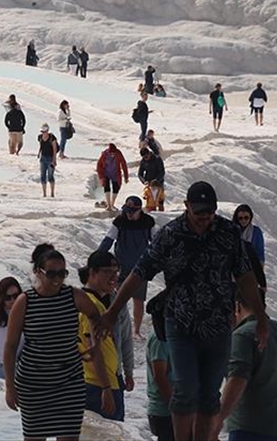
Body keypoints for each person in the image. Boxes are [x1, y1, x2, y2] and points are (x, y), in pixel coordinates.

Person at [101, 181, 268, 441]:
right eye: (199, 212)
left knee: (210, 395)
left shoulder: (228, 232)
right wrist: (112, 311)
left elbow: (245, 275)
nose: (205, 218)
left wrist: (260, 316)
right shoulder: (170, 234)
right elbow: (139, 273)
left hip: (218, 324)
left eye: (210, 212)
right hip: (180, 323)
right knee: (185, 391)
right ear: (186, 206)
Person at [3, 243, 108, 440]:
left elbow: (95, 315)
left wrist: (95, 343)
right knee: (35, 437)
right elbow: (10, 347)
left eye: (62, 273)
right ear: (37, 272)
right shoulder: (25, 301)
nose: (57, 279)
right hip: (33, 385)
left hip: (69, 382)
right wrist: (10, 386)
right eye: (52, 274)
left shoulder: (74, 296)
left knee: (69, 437)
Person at [218, 297, 277, 441]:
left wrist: (218, 418)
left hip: (252, 428)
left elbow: (237, 378)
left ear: (237, 306)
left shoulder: (241, 335)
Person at [77, 251, 129, 422]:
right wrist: (106, 388)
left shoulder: (98, 301)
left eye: (116, 272)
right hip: (98, 384)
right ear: (92, 273)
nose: (114, 277)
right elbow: (94, 350)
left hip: (106, 380)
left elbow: (125, 336)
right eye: (108, 272)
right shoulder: (91, 304)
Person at [98, 195, 158, 336]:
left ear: (139, 210)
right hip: (121, 266)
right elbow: (109, 239)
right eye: (127, 211)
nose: (128, 214)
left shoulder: (148, 222)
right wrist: (98, 257)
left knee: (138, 300)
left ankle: (136, 330)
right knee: (117, 298)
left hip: (140, 266)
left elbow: (156, 242)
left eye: (131, 212)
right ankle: (116, 327)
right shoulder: (120, 221)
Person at [146, 331, 176, 441]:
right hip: (164, 411)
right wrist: (177, 407)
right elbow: (159, 376)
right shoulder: (159, 338)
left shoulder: (173, 334)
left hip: (173, 409)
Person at [96, 143, 129, 211]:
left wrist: (126, 177)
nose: (112, 155)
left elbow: (124, 164)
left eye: (113, 153)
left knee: (116, 188)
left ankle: (112, 204)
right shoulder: (105, 154)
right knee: (106, 187)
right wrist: (101, 176)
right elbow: (99, 164)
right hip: (106, 173)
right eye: (111, 153)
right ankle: (108, 205)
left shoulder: (119, 153)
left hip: (115, 173)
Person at [138, 147, 167, 211]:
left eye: (146, 156)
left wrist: (156, 180)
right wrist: (144, 181)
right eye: (144, 157)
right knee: (150, 202)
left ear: (149, 154)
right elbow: (140, 174)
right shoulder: (143, 161)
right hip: (149, 183)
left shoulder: (157, 159)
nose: (146, 158)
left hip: (158, 182)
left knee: (160, 200)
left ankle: (162, 215)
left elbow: (162, 172)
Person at [36, 124, 59, 198]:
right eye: (42, 131)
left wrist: (54, 160)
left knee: (50, 176)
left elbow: (55, 149)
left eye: (44, 131)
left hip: (50, 158)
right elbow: (41, 146)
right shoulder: (39, 137)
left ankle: (52, 193)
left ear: (47, 131)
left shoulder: (52, 138)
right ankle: (44, 193)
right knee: (42, 176)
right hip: (43, 158)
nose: (43, 133)